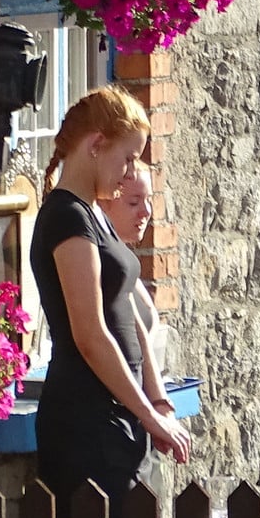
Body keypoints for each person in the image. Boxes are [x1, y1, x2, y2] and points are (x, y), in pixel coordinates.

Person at [31, 88, 190, 518]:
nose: (129, 174)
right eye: (127, 158)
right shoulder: (66, 217)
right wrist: (146, 413)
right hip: (87, 421)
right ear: (96, 145)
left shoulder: (93, 214)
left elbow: (131, 318)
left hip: (119, 415)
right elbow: (90, 334)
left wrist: (157, 402)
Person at [97, 162, 169, 382]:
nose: (146, 212)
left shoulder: (127, 264)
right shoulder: (98, 266)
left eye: (148, 200)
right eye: (133, 202)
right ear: (103, 204)